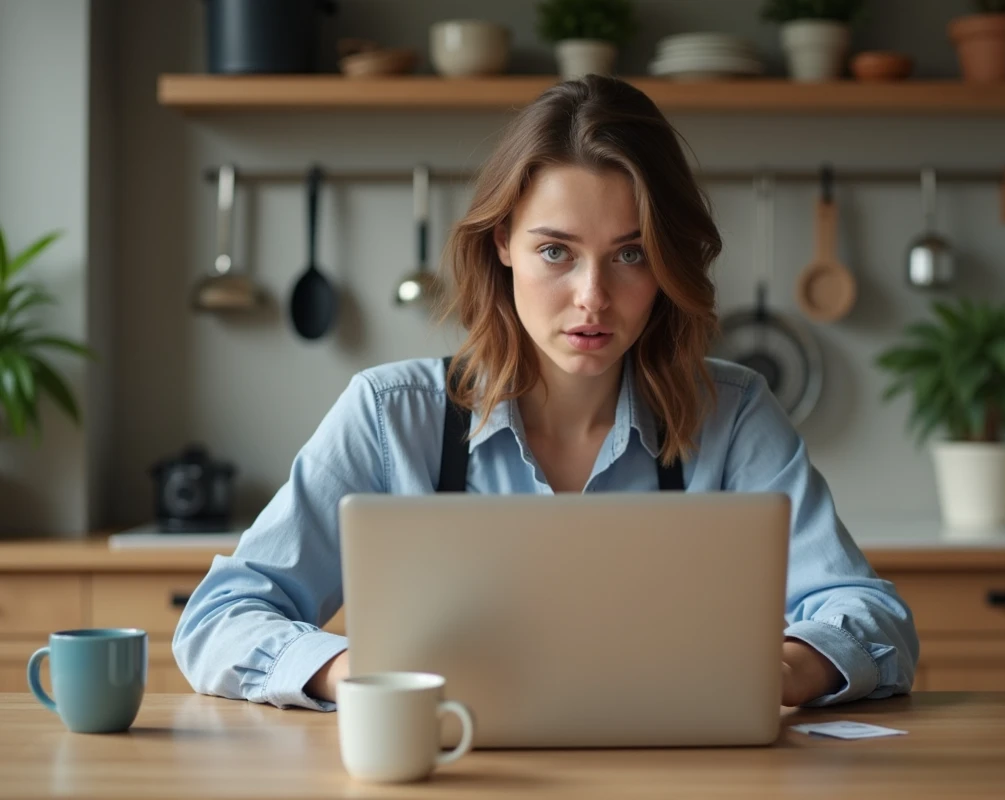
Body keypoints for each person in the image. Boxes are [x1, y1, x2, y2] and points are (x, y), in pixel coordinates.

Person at [173, 75, 918, 712]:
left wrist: (779, 671)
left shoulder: (735, 413)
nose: (593, 297)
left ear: (667, 263)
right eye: (556, 251)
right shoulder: (389, 416)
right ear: (503, 243)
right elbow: (219, 618)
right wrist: (358, 675)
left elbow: (875, 618)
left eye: (631, 254)